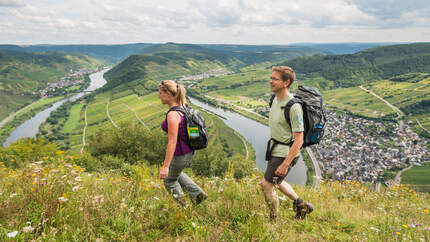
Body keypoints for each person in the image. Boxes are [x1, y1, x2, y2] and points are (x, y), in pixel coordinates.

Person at [261, 66, 314, 220]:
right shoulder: (274, 99)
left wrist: (285, 163)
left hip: (285, 153)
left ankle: (273, 219)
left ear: (286, 82)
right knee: (277, 182)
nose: (270, 81)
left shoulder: (294, 107)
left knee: (266, 184)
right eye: (271, 78)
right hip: (275, 149)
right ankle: (302, 205)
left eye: (275, 79)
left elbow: (299, 140)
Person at [158, 80, 208, 207]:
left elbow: (172, 142)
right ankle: (198, 195)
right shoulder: (184, 107)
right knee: (177, 173)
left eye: (160, 93)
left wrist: (165, 166)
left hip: (180, 154)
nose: (158, 96)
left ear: (168, 93)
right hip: (190, 151)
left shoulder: (173, 115)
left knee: (169, 180)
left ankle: (184, 206)